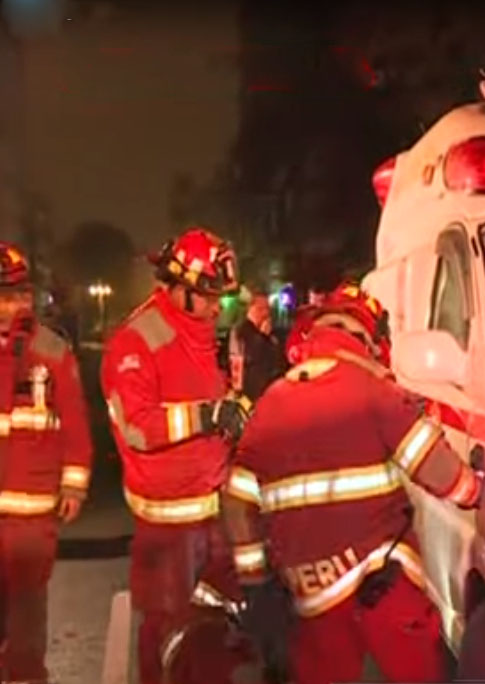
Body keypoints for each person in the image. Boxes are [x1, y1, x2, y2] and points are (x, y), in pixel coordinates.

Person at [222, 283, 480, 684]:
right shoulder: (373, 392)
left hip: (311, 591)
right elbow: (441, 472)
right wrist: (476, 488)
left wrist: (255, 581)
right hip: (382, 582)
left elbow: (237, 501)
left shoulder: (268, 405)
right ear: (366, 339)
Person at [100, 227, 253, 684]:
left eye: (222, 298)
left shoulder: (202, 336)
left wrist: (238, 413)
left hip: (215, 514)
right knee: (166, 630)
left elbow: (217, 402)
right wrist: (209, 415)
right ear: (179, 288)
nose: (217, 308)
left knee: (218, 629)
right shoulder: (136, 341)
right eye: (209, 297)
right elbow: (137, 426)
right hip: (168, 528)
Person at [0, 243, 92, 684]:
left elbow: (74, 421)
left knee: (27, 619)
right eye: (2, 296)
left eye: (16, 295)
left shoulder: (51, 349)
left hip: (32, 515)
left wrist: (73, 485)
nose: (9, 306)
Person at [229, 291, 285, 401]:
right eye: (260, 309)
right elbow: (247, 356)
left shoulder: (269, 331)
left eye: (267, 309)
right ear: (250, 308)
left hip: (268, 389)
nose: (265, 313)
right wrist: (262, 336)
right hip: (250, 391)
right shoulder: (240, 330)